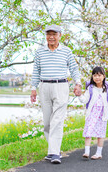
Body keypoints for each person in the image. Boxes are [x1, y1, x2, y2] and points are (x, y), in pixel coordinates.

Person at [30, 24, 82, 164]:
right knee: (47, 122)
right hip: (44, 86)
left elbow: (74, 68)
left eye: (54, 34)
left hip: (61, 86)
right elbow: (36, 71)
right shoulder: (40, 52)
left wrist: (78, 83)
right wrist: (33, 88)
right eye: (49, 34)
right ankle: (52, 150)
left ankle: (54, 153)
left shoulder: (66, 51)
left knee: (57, 121)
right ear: (46, 36)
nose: (51, 37)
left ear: (60, 35)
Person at [78, 67, 108, 160]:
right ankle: (87, 151)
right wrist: (80, 95)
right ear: (92, 77)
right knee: (88, 131)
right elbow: (84, 100)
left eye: (99, 75)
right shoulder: (90, 88)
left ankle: (98, 153)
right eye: (95, 75)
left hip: (102, 114)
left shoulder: (107, 87)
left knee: (100, 134)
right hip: (92, 113)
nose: (97, 77)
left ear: (104, 76)